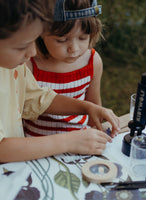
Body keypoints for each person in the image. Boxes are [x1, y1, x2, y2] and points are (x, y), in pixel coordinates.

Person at [0, 0, 120, 163]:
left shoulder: (11, 65)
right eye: (22, 46)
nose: (33, 51)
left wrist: (86, 107)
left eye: (33, 41)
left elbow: (36, 98)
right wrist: (70, 141)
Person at [23, 0, 105, 136]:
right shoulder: (29, 62)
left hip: (80, 143)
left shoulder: (93, 61)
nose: (74, 48)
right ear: (41, 32)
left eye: (83, 38)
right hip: (37, 147)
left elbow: (95, 108)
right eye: (62, 40)